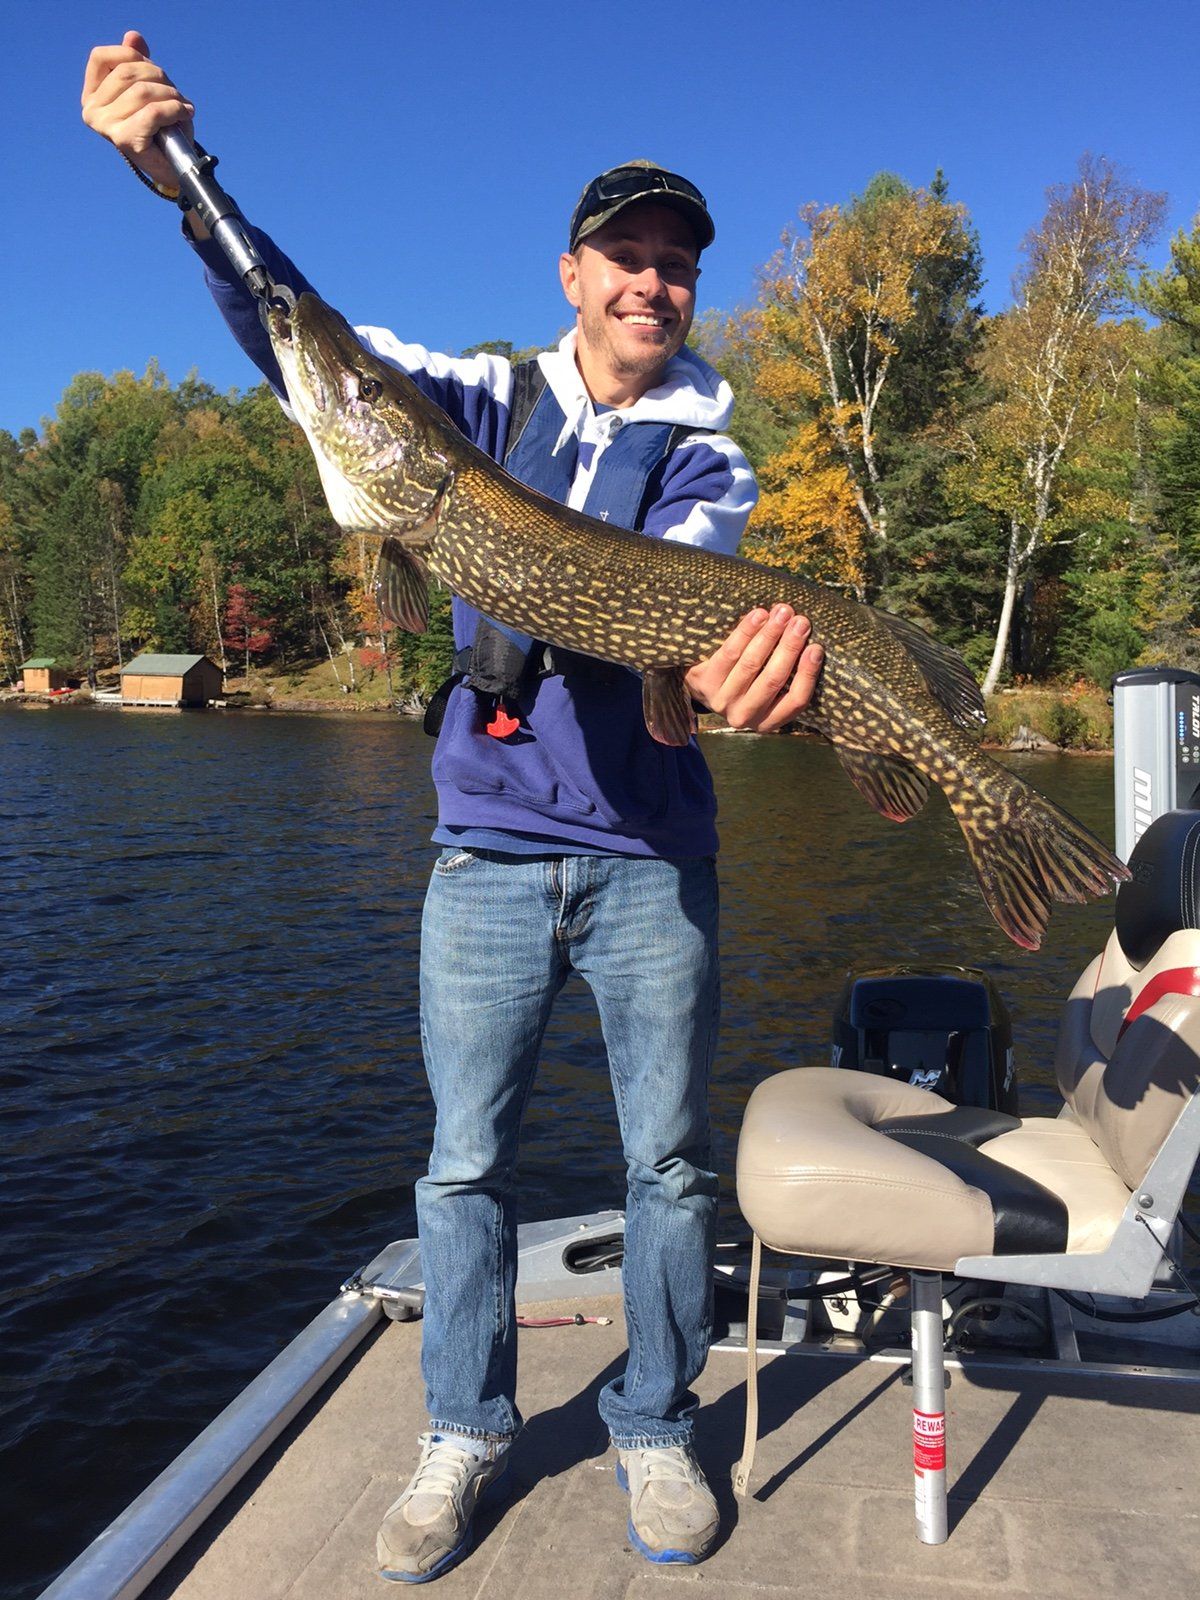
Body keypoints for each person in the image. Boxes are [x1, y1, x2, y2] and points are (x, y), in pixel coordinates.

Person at [82, 30, 825, 1583]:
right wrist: (180, 180)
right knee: (462, 1168)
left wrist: (763, 686)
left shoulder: (715, 459)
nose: (649, 280)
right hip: (484, 856)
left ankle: (650, 1422)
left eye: (674, 261)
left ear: (691, 291)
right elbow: (305, 339)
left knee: (673, 1169)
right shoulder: (476, 404)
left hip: (649, 865)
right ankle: (465, 1427)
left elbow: (704, 641)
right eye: (623, 254)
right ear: (571, 275)